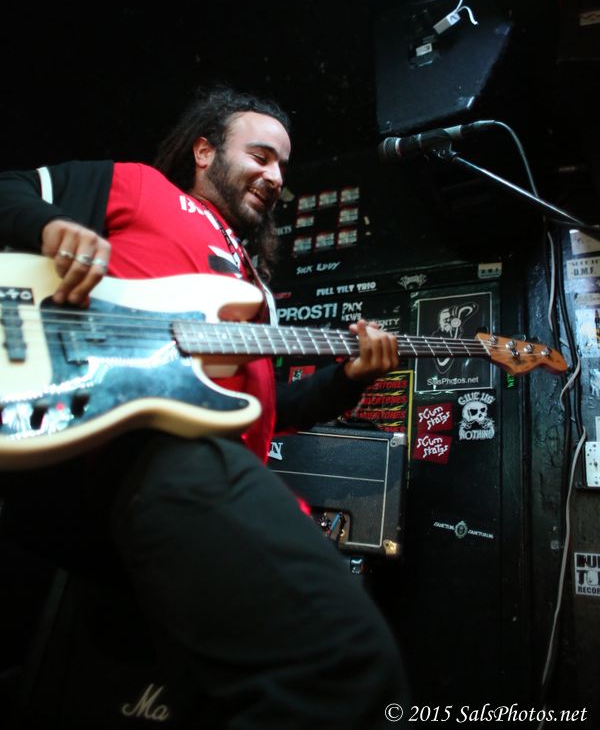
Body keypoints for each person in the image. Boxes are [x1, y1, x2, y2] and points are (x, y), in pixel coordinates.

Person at [0, 87, 408, 728]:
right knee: (340, 662)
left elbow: (266, 411)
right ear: (203, 151)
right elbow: (10, 188)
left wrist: (350, 379)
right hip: (146, 448)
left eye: (283, 167)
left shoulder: (254, 288)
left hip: (166, 501)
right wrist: (48, 228)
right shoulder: (141, 188)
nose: (276, 178)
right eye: (262, 156)